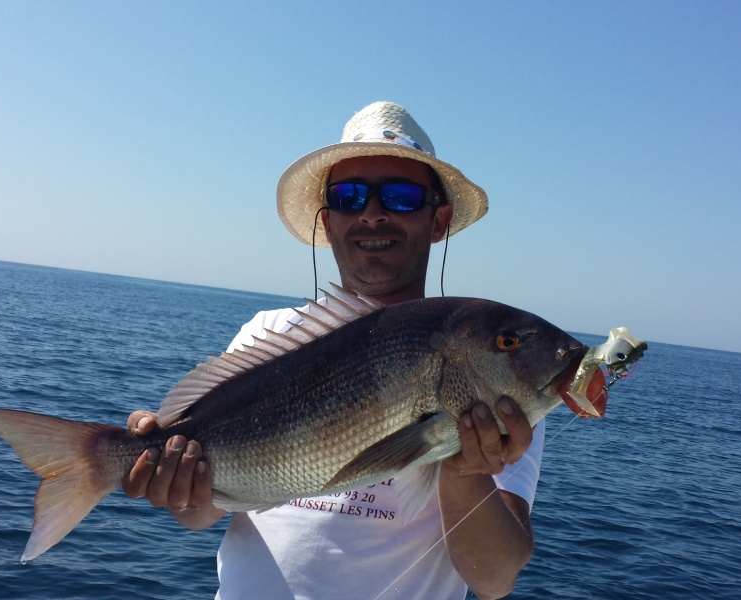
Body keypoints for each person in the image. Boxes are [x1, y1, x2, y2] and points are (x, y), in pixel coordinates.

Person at [123, 101, 545, 600]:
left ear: (439, 221)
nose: (372, 214)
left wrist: (464, 470)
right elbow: (201, 513)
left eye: (401, 197)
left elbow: (493, 579)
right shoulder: (268, 333)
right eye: (349, 197)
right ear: (328, 221)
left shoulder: (489, 373)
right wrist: (173, 480)